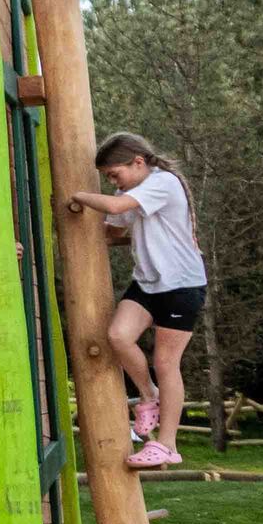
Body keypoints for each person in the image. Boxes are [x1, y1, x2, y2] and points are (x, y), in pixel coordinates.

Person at [65, 132, 206, 471]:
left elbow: (114, 208)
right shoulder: (128, 193)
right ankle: (149, 395)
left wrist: (77, 196)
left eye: (115, 174)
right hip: (147, 283)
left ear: (138, 162)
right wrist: (69, 228)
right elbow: (113, 229)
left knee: (166, 363)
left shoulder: (163, 182)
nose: (114, 182)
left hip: (181, 285)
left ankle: (167, 445)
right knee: (118, 336)